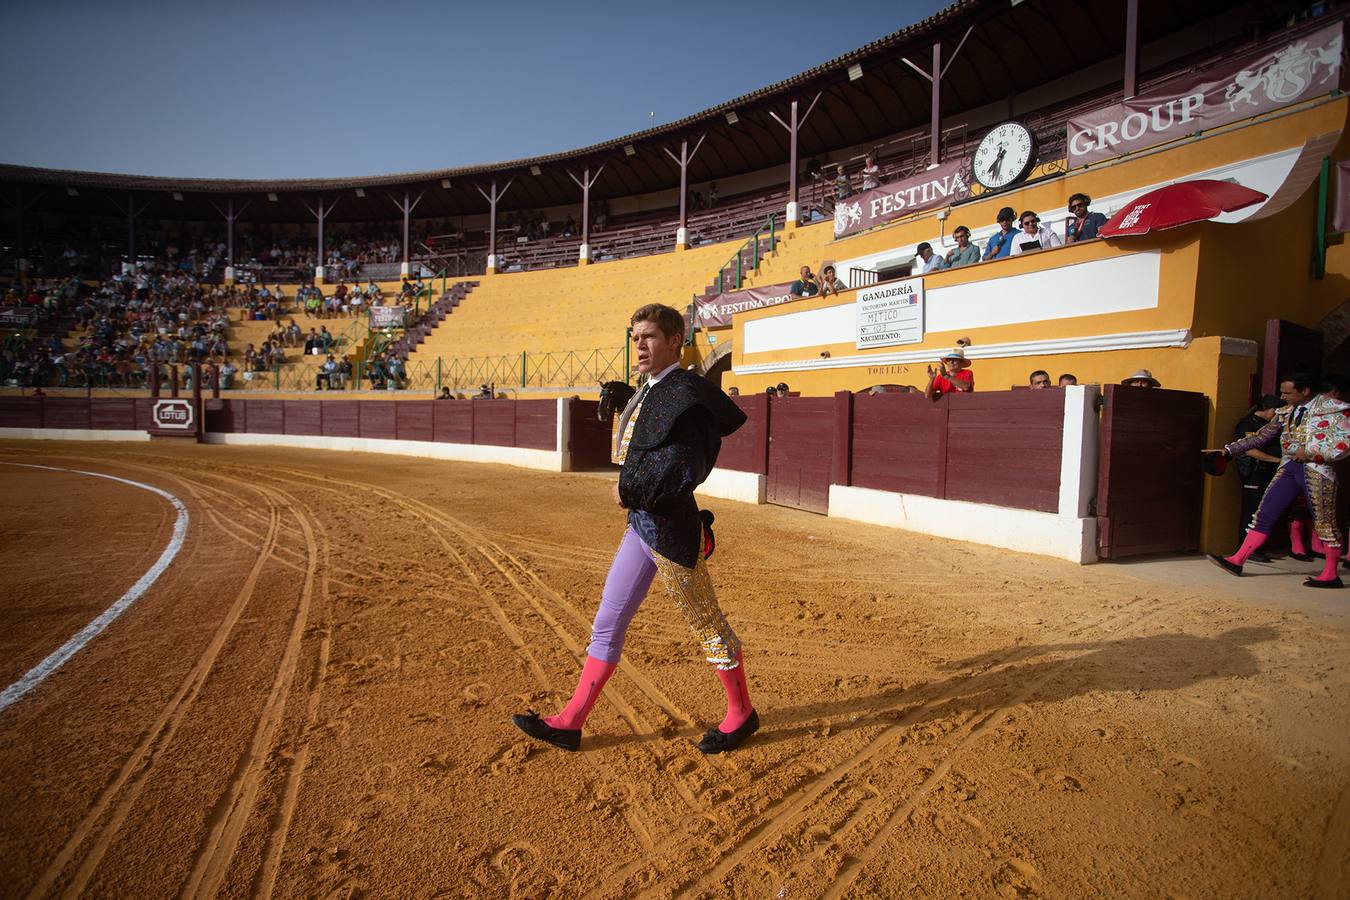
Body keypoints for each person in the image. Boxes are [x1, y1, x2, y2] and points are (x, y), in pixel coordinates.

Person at [511, 303, 757, 753]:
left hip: (672, 530)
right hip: (641, 526)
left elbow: (684, 467)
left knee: (706, 621)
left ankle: (741, 713)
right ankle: (570, 721)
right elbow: (650, 437)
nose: (639, 345)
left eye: (649, 337)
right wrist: (630, 402)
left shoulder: (688, 396)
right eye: (635, 337)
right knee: (607, 621)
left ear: (674, 341)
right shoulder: (654, 389)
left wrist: (629, 489)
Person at [1206, 373, 1347, 587]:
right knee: (1264, 513)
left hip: (1318, 469)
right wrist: (1229, 450)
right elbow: (1261, 436)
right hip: (1289, 467)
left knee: (1325, 523)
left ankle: (1330, 574)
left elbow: (1344, 442)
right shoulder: (1286, 412)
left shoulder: (1334, 409)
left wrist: (1311, 452)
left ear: (1305, 391)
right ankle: (1237, 560)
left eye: (1287, 392)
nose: (1282, 397)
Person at [1232, 394, 1283, 557]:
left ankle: (1257, 547)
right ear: (1270, 409)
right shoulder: (1248, 424)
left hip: (1268, 473)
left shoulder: (1269, 425)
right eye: (1277, 411)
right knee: (1252, 511)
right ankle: (1248, 549)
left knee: (1263, 511)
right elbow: (1249, 450)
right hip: (1254, 473)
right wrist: (1278, 460)